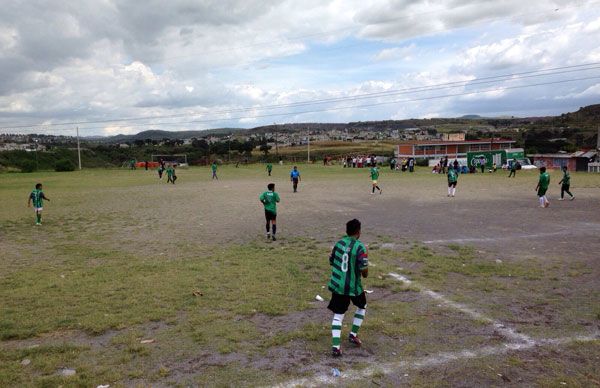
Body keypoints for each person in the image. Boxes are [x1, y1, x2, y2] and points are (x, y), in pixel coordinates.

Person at [327, 219, 369, 358]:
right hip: (353, 286)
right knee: (362, 306)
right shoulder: (360, 247)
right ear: (358, 232)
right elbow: (364, 270)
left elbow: (331, 261)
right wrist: (364, 271)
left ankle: (336, 347)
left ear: (347, 231)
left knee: (338, 316)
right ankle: (353, 334)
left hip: (338, 285)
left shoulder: (338, 244)